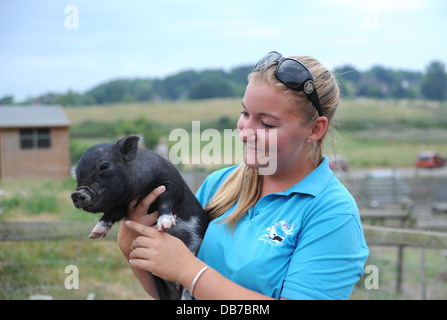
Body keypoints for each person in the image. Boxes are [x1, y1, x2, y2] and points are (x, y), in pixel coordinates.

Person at [118, 51, 369, 300]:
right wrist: (132, 240)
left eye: (267, 124)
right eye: (245, 114)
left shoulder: (333, 213)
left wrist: (190, 272)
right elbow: (172, 293)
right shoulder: (219, 185)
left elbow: (184, 271)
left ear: (315, 129)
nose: (245, 133)